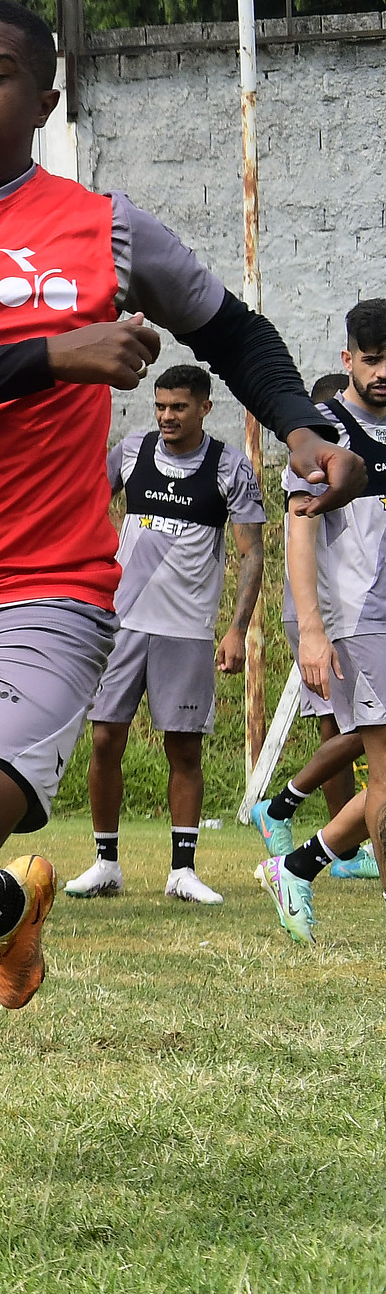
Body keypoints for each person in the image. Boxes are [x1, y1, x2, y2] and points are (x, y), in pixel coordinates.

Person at [0, 0, 355, 1262]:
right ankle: (6, 904)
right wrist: (48, 356)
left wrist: (295, 423)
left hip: (44, 593)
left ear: (42, 100)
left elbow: (232, 329)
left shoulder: (106, 229)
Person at [70, 365, 264, 904]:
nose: (166, 416)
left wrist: (237, 630)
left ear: (205, 407)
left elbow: (252, 554)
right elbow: (82, 502)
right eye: (160, 406)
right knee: (105, 739)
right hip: (122, 623)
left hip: (187, 630)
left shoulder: (229, 466)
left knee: (184, 748)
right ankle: (106, 864)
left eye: (178, 407)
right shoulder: (133, 451)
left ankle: (182, 871)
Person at [259, 300, 386, 943]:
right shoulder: (322, 431)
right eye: (373, 359)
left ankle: (297, 866)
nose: (384, 372)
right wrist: (311, 629)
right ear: (348, 359)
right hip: (363, 620)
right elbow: (300, 534)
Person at [252, 373, 367, 852]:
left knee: (356, 727)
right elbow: (300, 538)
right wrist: (312, 626)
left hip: (358, 612)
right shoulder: (318, 461)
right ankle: (295, 819)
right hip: (323, 613)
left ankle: (326, 836)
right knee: (354, 727)